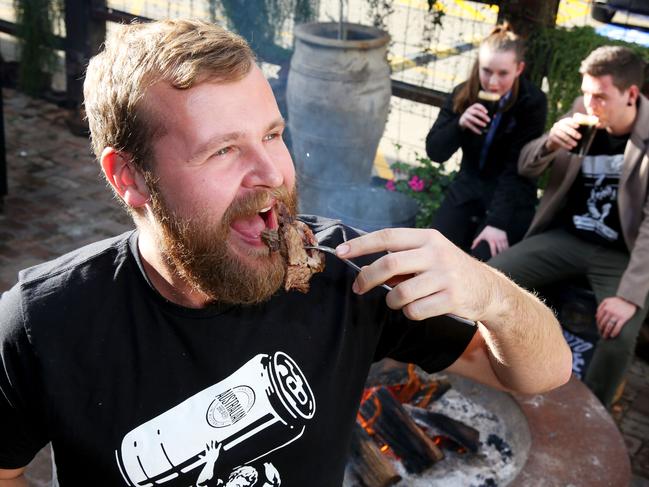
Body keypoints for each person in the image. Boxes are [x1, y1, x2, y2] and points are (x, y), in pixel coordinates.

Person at [0, 19, 570, 487]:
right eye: (223, 150)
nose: (273, 173)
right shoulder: (43, 321)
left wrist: (491, 293)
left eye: (273, 135)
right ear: (131, 177)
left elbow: (541, 373)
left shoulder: (345, 270)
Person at [490, 46, 648, 409]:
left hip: (621, 252)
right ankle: (499, 367)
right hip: (566, 237)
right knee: (494, 278)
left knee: (619, 335)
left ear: (632, 95)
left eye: (601, 96)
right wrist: (549, 143)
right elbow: (526, 167)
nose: (590, 104)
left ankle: (591, 411)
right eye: (587, 92)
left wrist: (628, 297)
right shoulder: (581, 112)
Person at [425, 23, 547, 261]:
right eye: (487, 71)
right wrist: (458, 125)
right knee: (432, 254)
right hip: (468, 188)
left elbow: (517, 170)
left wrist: (497, 222)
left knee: (483, 261)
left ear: (519, 69)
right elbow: (435, 151)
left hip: (510, 198)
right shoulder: (463, 93)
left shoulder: (532, 102)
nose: (492, 82)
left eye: (503, 74)